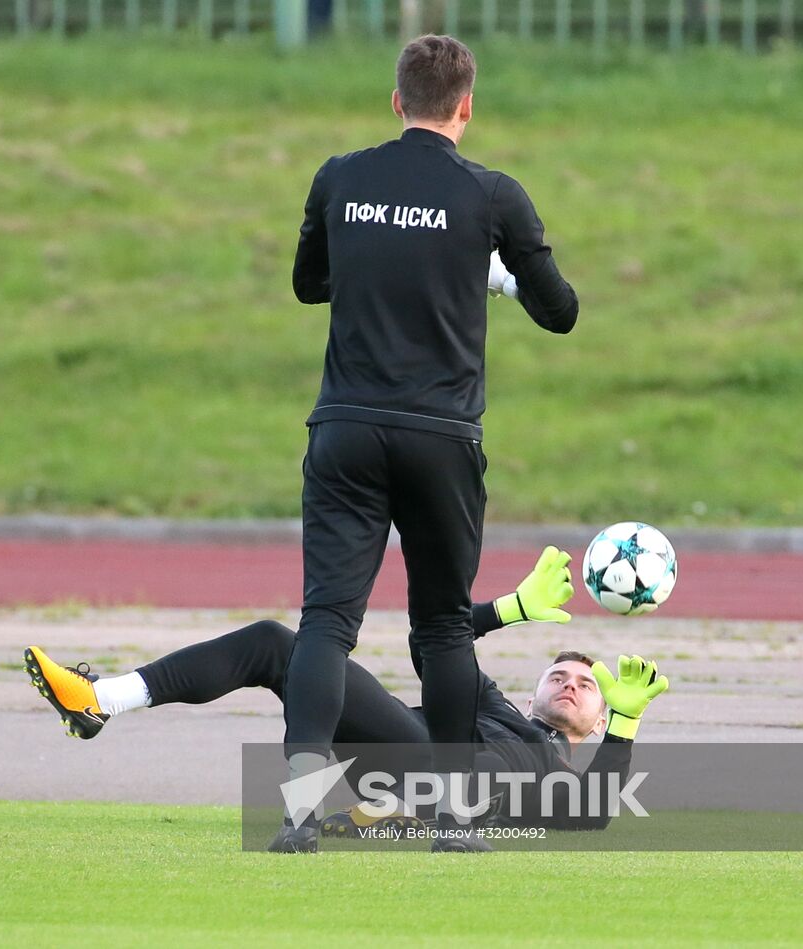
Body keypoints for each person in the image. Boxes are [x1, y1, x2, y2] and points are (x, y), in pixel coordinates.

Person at [279, 34, 579, 850]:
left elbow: (310, 284)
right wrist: (492, 272)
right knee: (443, 625)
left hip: (345, 427)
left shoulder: (341, 177)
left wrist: (389, 259)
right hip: (442, 437)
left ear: (396, 101)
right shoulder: (493, 196)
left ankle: (299, 811)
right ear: (468, 106)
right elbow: (562, 310)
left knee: (325, 623)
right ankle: (454, 815)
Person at [24, 548, 670, 852]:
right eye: (560, 674)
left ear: (594, 714)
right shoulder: (497, 709)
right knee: (276, 643)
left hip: (446, 787)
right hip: (407, 751)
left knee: (285, 645)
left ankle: (391, 810)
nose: (571, 684)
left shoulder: (559, 776)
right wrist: (513, 609)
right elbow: (435, 640)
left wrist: (626, 721)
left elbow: (592, 817)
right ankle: (100, 698)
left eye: (586, 686)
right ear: (535, 687)